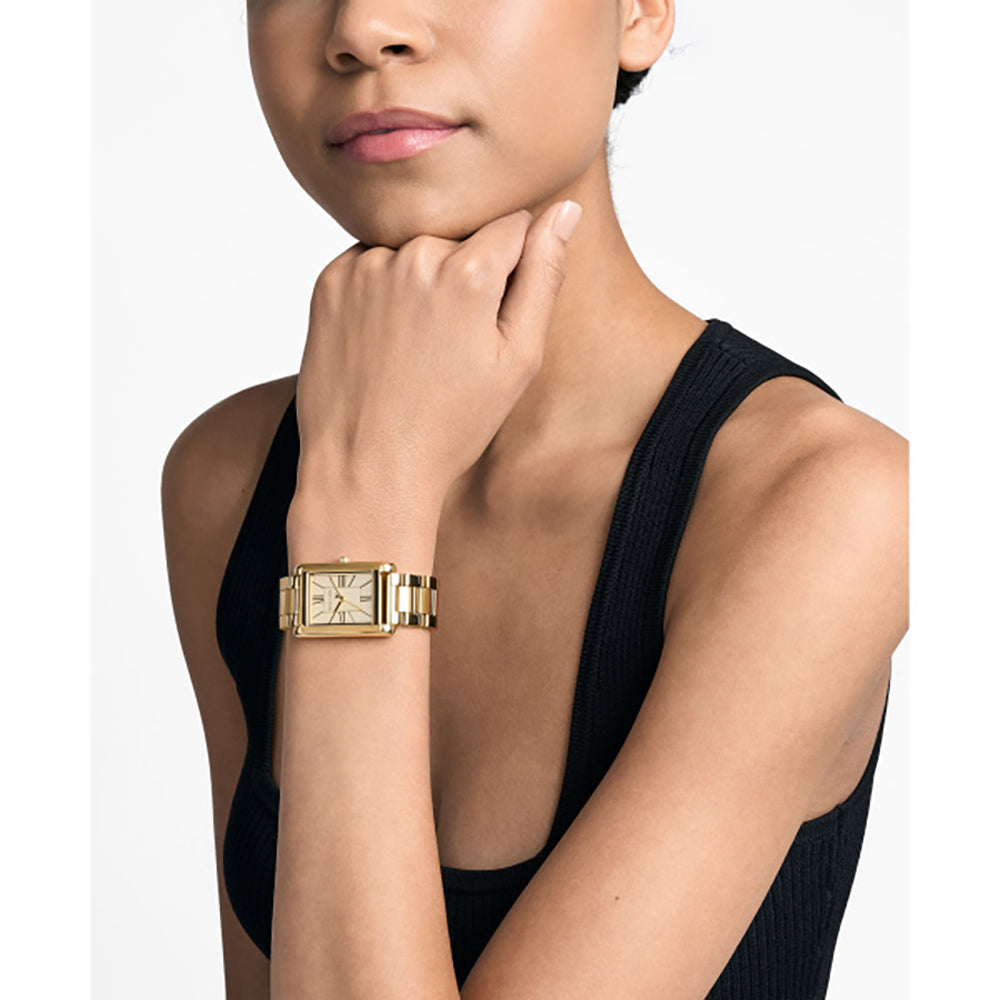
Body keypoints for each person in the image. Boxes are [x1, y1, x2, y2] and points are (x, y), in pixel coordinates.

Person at [160, 1, 909, 997]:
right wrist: (355, 480)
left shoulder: (821, 505)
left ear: (638, 13)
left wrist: (366, 511)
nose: (362, 27)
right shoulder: (226, 481)